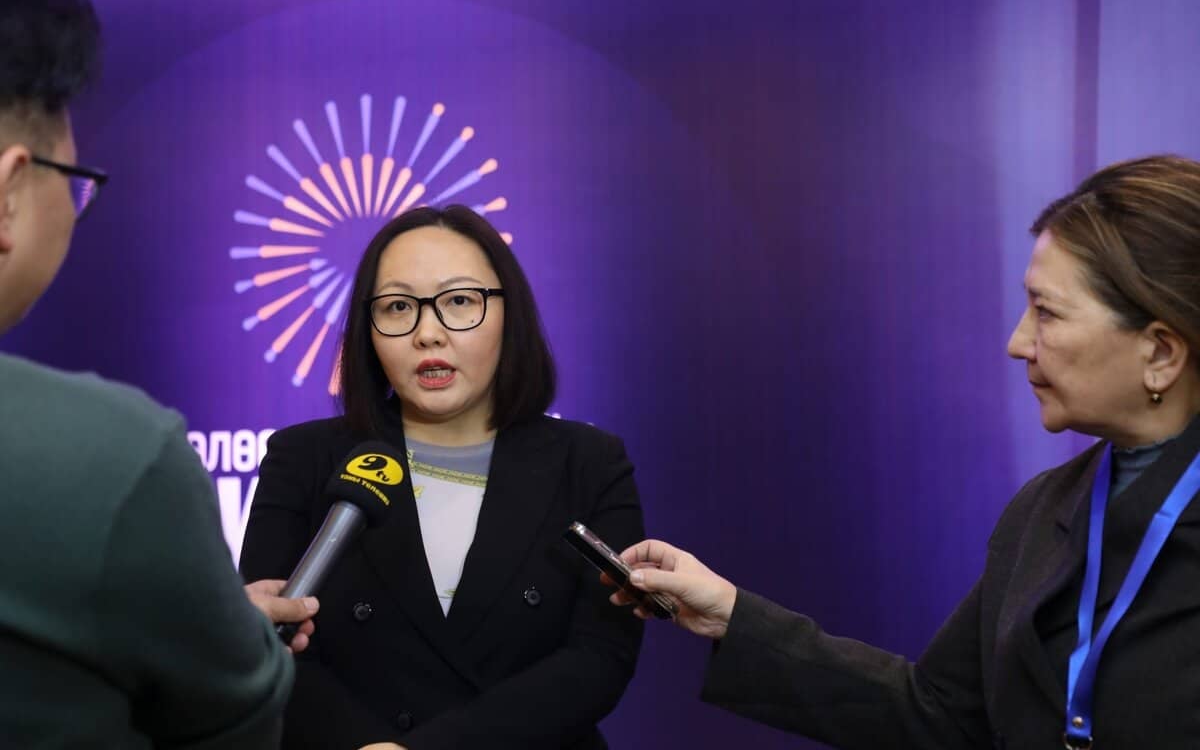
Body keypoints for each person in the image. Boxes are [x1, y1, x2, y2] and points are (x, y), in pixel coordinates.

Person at [612, 155, 1200, 749]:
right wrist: (732, 616)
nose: (1018, 342)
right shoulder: (1043, 512)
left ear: (1160, 354)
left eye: (1047, 312)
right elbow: (941, 715)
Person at [0, 0, 315, 745]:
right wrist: (240, 649)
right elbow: (234, 721)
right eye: (72, 180)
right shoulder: (121, 460)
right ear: (8, 192)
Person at [240, 204, 646, 749]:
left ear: (510, 313)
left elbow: (601, 657)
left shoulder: (591, 462)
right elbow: (267, 641)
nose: (427, 334)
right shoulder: (302, 459)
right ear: (369, 328)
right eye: (398, 307)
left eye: (459, 301)